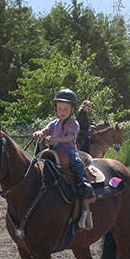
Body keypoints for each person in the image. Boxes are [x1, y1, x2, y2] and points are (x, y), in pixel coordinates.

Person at [36, 88, 95, 229]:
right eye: (59, 108)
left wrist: (55, 139)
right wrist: (40, 133)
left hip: (68, 151)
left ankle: (83, 181)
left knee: (76, 163)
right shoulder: (54, 123)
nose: (62, 111)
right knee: (38, 157)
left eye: (65, 109)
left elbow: (70, 137)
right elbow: (45, 130)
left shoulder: (74, 124)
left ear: (72, 110)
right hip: (54, 150)